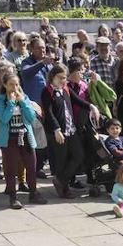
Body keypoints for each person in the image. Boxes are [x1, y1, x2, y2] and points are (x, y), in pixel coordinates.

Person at [0, 75, 48, 209]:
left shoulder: (24, 98)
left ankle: (33, 192)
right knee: (11, 168)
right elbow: (4, 119)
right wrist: (11, 103)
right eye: (11, 85)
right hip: (10, 138)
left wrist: (23, 102)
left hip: (25, 137)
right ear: (5, 85)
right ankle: (13, 196)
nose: (15, 88)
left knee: (31, 166)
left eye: (17, 85)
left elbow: (30, 117)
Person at [41, 64, 84, 198]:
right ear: (52, 77)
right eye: (60, 78)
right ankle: (64, 189)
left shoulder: (66, 89)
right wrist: (56, 129)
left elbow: (78, 101)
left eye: (64, 78)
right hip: (58, 131)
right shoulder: (47, 91)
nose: (63, 81)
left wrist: (92, 107)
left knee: (79, 155)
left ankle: (60, 181)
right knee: (61, 160)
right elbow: (48, 113)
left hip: (71, 129)